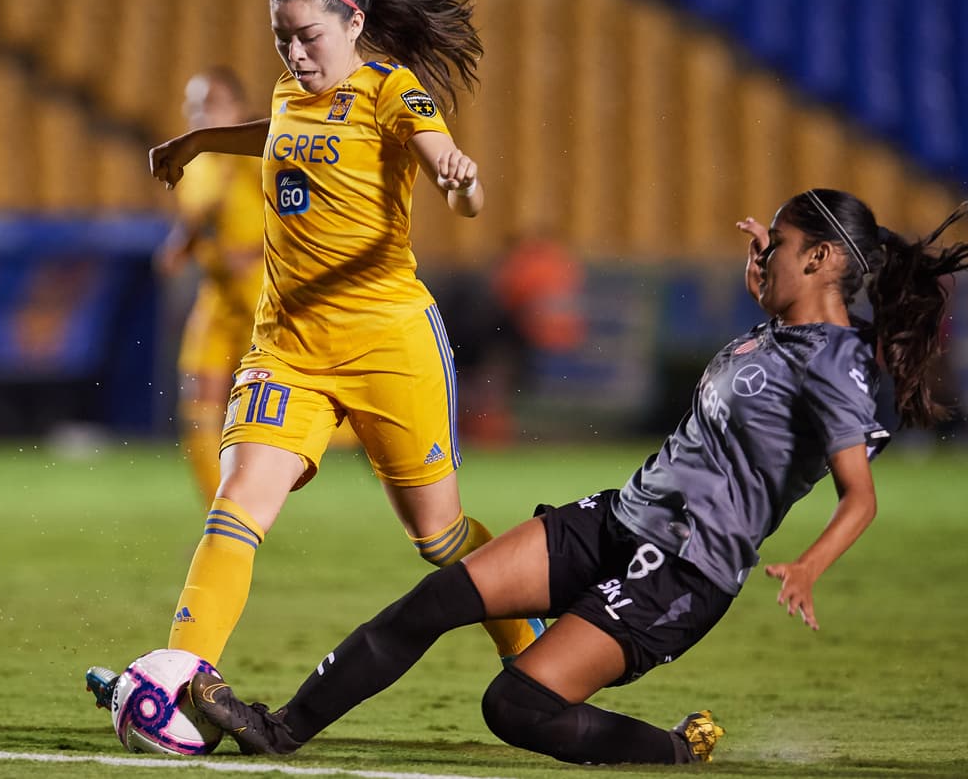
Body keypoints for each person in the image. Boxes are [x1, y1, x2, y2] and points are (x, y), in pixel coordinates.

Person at [185, 190, 968, 765]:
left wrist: (808, 565)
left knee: (516, 704)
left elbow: (857, 495)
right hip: (619, 518)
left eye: (786, 242)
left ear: (823, 259)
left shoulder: (839, 370)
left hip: (684, 573)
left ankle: (670, 750)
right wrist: (769, 281)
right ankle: (278, 727)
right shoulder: (780, 331)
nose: (766, 254)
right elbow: (770, 370)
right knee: (434, 599)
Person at [86, 0, 543, 707]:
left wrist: (461, 185)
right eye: (282, 39)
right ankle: (177, 675)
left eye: (309, 37)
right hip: (288, 347)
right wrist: (200, 140)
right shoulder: (285, 94)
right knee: (235, 506)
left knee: (438, 538)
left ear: (353, 23)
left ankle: (534, 656)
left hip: (388, 343)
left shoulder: (392, 91)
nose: (295, 53)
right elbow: (278, 136)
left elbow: (448, 170)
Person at [156, 67, 266, 508]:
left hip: (266, 298)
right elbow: (200, 219)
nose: (200, 114)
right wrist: (179, 246)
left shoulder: (262, 154)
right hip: (218, 297)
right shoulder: (195, 165)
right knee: (198, 407)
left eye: (212, 103)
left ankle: (367, 443)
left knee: (277, 417)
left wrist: (256, 251)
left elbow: (302, 217)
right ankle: (220, 517)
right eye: (193, 105)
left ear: (238, 109)